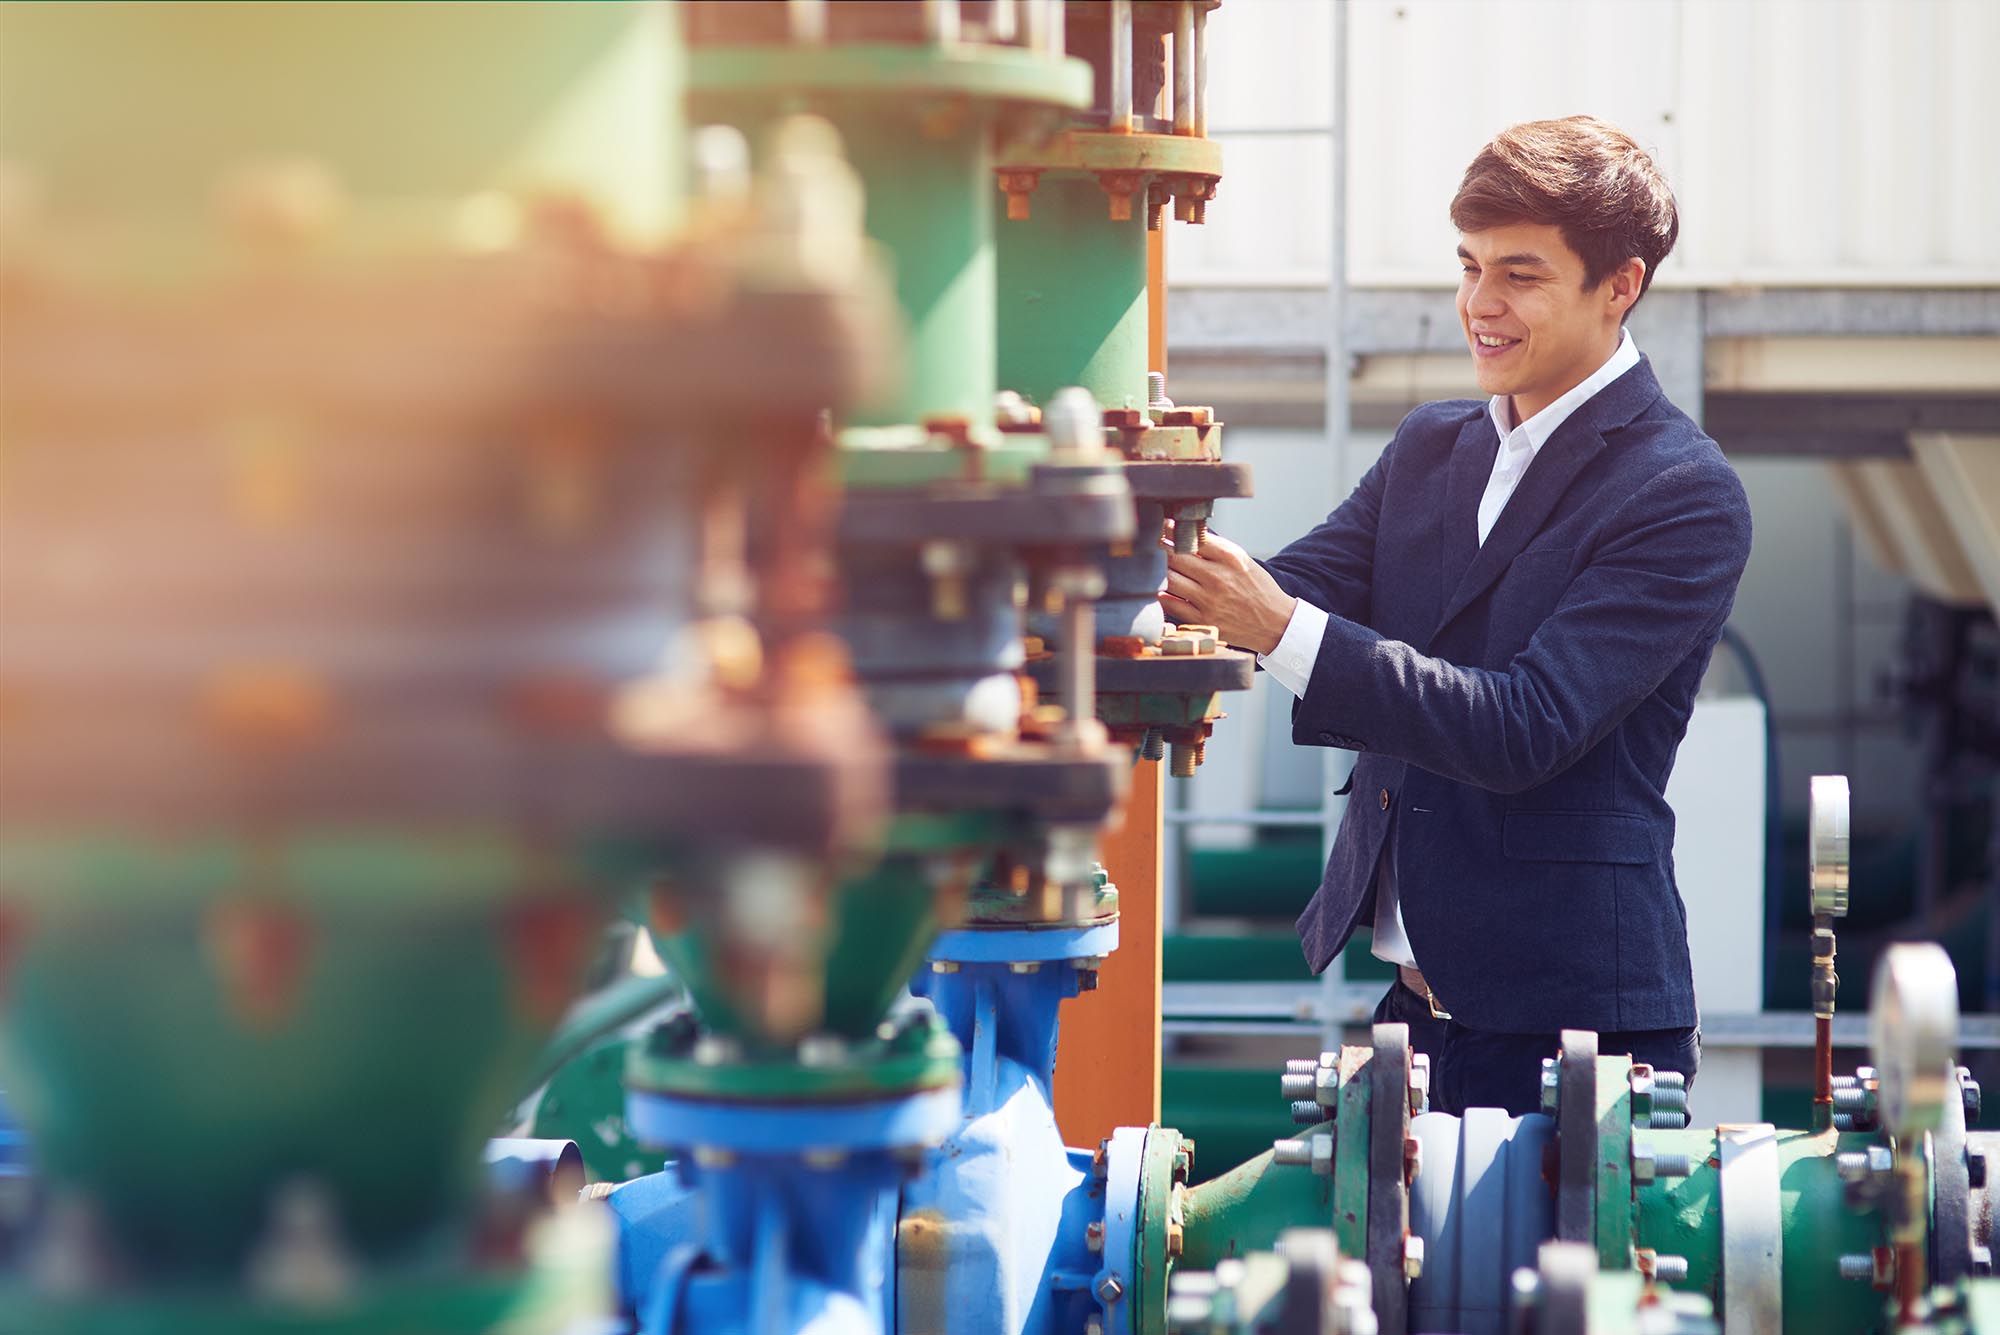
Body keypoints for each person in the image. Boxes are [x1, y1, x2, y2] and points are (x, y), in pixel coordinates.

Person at [1156, 116, 1752, 1116]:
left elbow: (1525, 726)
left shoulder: (1680, 490)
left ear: (1620, 285)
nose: (1479, 304)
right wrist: (1135, 568)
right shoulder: (1431, 448)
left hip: (1579, 1033)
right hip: (1413, 1014)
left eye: (1519, 275)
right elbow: (1293, 585)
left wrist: (1275, 627)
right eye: (1469, 266)